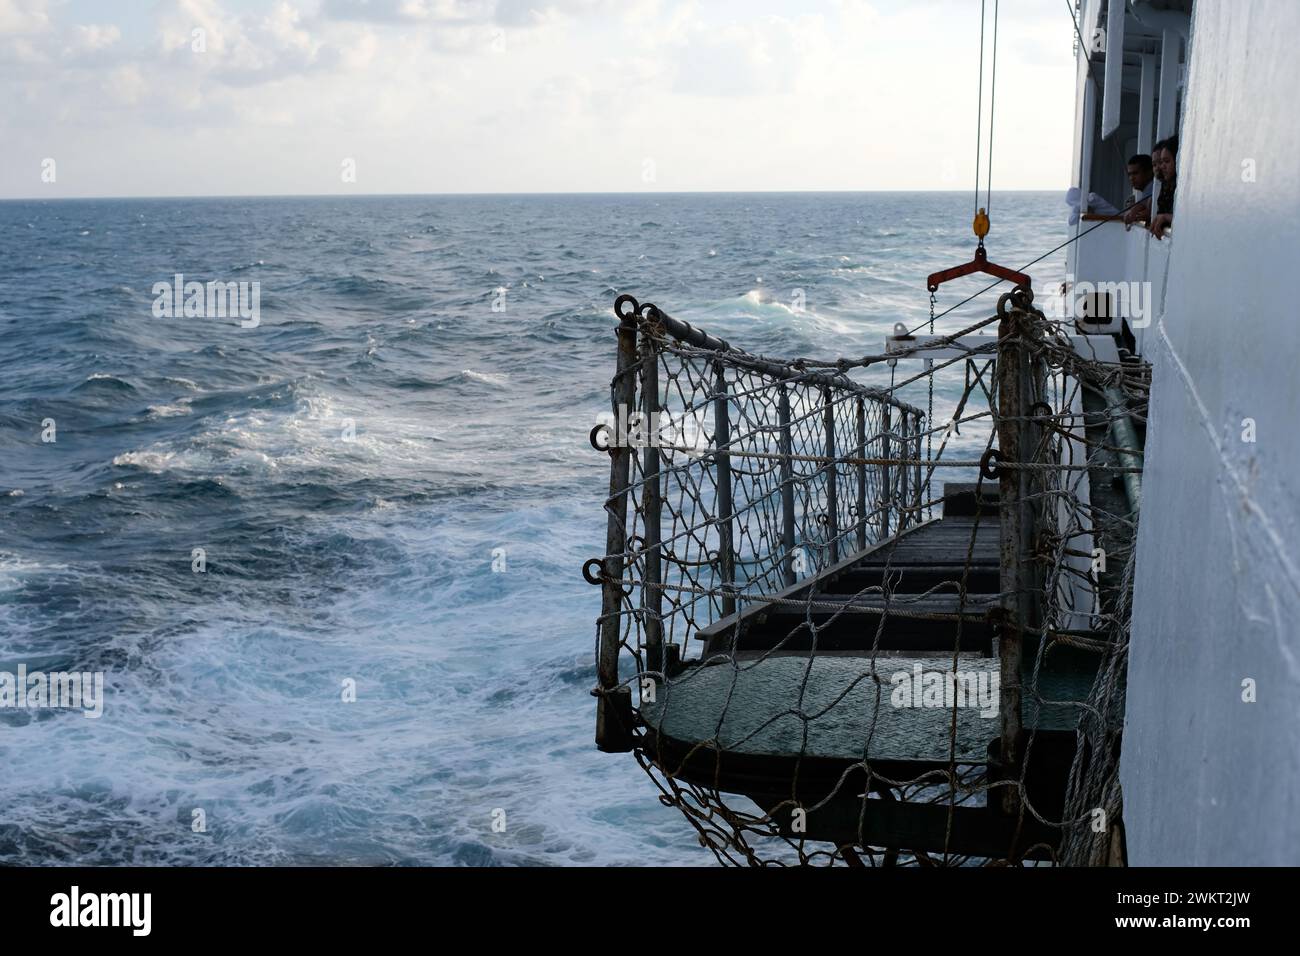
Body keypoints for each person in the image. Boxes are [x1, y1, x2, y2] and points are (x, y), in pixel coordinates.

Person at [1149, 135, 1178, 239]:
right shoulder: (1166, 186)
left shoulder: (1180, 189)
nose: (1161, 167)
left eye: (1166, 161)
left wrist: (1166, 217)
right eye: (1157, 163)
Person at [1121, 154, 1154, 225]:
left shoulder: (1154, 188)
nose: (1131, 178)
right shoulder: (1146, 192)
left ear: (1149, 173)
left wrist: (1134, 210)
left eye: (1135, 173)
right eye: (1129, 174)